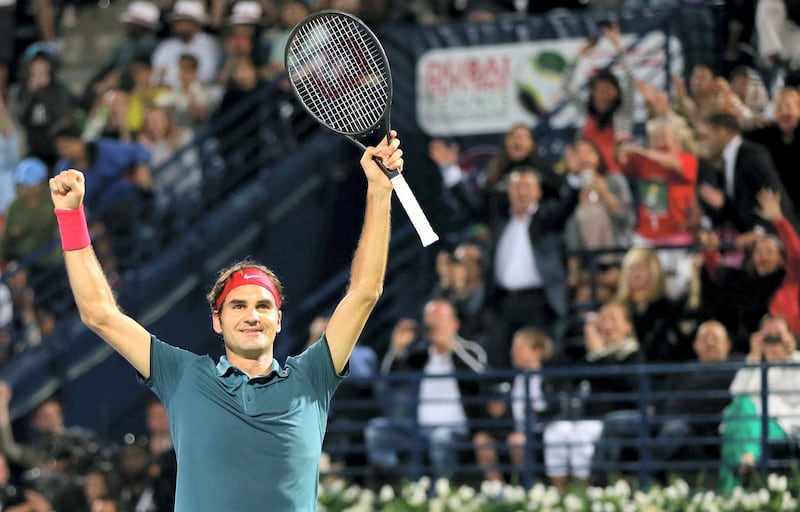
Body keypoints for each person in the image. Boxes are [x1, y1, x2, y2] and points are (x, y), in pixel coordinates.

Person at [48, 131, 402, 510]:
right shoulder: (182, 375)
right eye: (238, 306)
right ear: (217, 321)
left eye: (264, 306)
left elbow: (365, 292)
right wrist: (71, 217)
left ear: (279, 320)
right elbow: (99, 315)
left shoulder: (312, 376)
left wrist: (379, 190)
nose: (252, 315)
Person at [365, 299, 487, 482]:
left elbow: (481, 378)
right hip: (418, 429)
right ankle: (393, 485)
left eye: (439, 319)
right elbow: (390, 381)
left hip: (455, 430)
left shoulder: (470, 350)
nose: (433, 324)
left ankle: (441, 494)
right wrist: (397, 349)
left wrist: (451, 347)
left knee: (440, 438)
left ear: (454, 323)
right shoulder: (419, 356)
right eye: (430, 319)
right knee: (377, 431)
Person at [650, 320, 740, 480]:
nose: (710, 343)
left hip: (700, 429)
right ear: (696, 345)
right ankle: (600, 482)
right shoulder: (683, 369)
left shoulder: (735, 368)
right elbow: (662, 396)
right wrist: (652, 408)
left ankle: (645, 476)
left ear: (727, 345)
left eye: (715, 338)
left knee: (674, 428)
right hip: (662, 419)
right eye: (705, 338)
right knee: (618, 422)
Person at [720, 314, 800, 490]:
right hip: (748, 418)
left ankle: (730, 490)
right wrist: (755, 357)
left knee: (736, 426)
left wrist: (791, 358)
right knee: (741, 410)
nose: (773, 339)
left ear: (789, 336)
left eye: (777, 334)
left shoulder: (797, 361)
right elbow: (736, 394)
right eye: (768, 334)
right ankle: (748, 459)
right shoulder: (754, 363)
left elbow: (795, 398)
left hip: (781, 424)